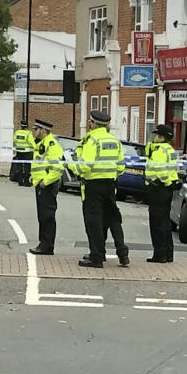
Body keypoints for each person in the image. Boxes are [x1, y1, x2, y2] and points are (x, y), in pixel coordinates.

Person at [69, 110, 128, 268]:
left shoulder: (92, 140)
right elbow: (121, 166)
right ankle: (123, 254)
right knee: (113, 218)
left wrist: (72, 166)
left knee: (93, 222)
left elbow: (85, 167)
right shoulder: (114, 141)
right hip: (110, 185)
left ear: (93, 123)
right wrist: (111, 174)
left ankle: (96, 257)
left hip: (93, 185)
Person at [28, 119, 65, 255]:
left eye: (35, 129)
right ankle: (43, 243)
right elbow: (40, 164)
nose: (33, 132)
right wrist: (34, 176)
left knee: (47, 216)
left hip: (47, 185)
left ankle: (47, 245)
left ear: (43, 130)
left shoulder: (51, 145)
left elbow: (57, 168)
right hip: (40, 183)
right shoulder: (41, 144)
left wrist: (45, 181)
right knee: (42, 216)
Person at [144, 124, 179, 263]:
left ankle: (159, 255)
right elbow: (172, 170)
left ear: (162, 137)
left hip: (158, 188)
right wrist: (171, 182)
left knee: (157, 224)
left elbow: (160, 170)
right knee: (165, 222)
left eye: (157, 135)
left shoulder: (159, 150)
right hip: (167, 191)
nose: (154, 138)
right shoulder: (170, 150)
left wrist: (166, 181)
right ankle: (168, 253)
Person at [12, 120, 35, 186]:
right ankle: (26, 182)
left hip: (19, 151)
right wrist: (36, 148)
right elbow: (32, 142)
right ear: (27, 127)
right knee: (27, 167)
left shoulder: (17, 132)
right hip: (27, 152)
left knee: (19, 167)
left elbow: (14, 140)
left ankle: (20, 182)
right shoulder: (28, 133)